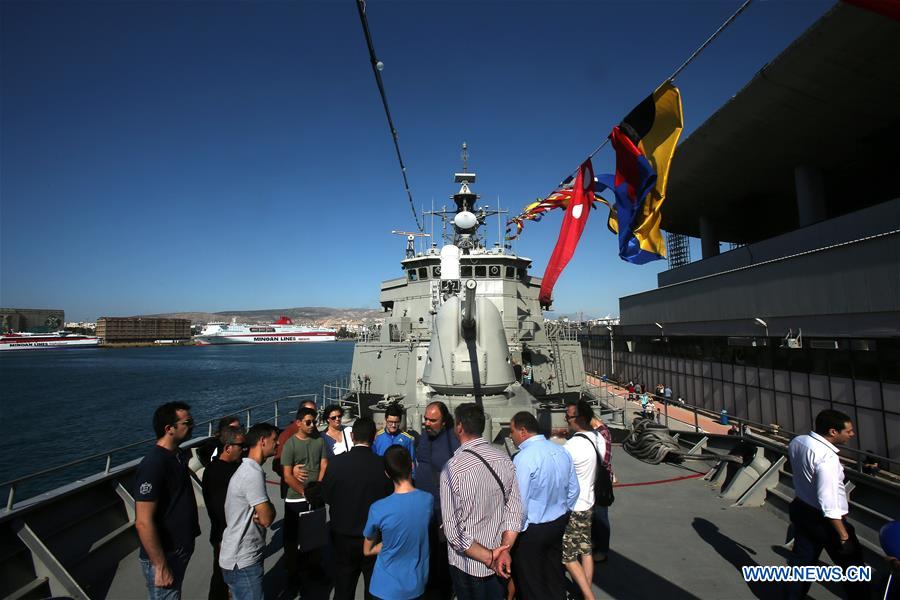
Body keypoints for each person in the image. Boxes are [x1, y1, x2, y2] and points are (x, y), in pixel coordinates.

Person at [441, 403, 523, 600]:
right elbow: (514, 513)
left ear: (459, 427)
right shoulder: (504, 460)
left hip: (468, 566)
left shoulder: (452, 469)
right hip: (501, 562)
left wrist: (490, 557)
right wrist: (503, 551)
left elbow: (453, 532)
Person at [786, 409, 870, 600]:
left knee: (802, 562)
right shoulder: (828, 458)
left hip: (801, 509)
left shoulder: (798, 442)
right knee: (853, 570)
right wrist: (843, 535)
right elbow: (829, 501)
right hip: (824, 521)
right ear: (833, 432)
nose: (852, 434)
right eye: (848, 431)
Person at [508, 411, 578, 600]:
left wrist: (517, 532)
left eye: (512, 431)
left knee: (531, 584)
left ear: (522, 431)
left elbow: (519, 503)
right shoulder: (561, 450)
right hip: (558, 524)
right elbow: (574, 490)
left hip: (532, 531)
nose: (510, 436)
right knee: (554, 575)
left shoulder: (523, 458)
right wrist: (564, 513)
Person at [134, 401, 201, 599]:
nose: (192, 425)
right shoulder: (154, 464)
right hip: (167, 554)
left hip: (179, 548)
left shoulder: (176, 456)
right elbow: (143, 522)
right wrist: (160, 565)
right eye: (187, 422)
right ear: (169, 429)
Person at [322, 416, 393, 600]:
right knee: (373, 588)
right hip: (374, 537)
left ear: (352, 436)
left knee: (343, 588)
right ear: (374, 437)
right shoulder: (383, 466)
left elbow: (327, 496)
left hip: (342, 537)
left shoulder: (336, 464)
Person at [363, 446, 434, 600]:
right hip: (416, 585)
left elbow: (367, 550)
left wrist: (384, 544)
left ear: (387, 474)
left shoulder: (378, 508)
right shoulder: (428, 500)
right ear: (412, 466)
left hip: (384, 587)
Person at [219, 423, 279, 600]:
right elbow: (267, 518)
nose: (277, 444)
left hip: (237, 557)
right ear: (262, 441)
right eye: (274, 440)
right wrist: (269, 510)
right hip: (243, 560)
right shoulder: (252, 474)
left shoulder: (248, 469)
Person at [279, 406, 328, 590]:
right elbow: (287, 475)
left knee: (315, 535)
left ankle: (314, 567)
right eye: (308, 422)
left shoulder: (319, 441)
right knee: (293, 539)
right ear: (298, 423)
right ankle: (293, 572)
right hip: (295, 499)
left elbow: (323, 463)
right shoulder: (290, 444)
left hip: (315, 495)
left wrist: (319, 485)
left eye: (314, 421)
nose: (312, 425)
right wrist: (304, 492)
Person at [417, 401, 460, 599]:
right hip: (423, 509)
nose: (427, 423)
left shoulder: (453, 441)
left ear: (444, 422)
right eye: (426, 419)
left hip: (443, 511)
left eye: (432, 420)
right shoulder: (425, 436)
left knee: (442, 557)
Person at [562, 401, 604, 600]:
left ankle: (588, 596)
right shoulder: (598, 439)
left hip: (574, 506)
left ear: (578, 419)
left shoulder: (571, 446)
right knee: (585, 550)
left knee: (568, 556)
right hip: (589, 501)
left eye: (568, 417)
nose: (566, 420)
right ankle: (585, 588)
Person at [201, 426, 245, 600]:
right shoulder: (223, 474)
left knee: (221, 577)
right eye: (241, 446)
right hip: (226, 537)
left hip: (223, 534)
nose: (245, 449)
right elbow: (221, 509)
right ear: (228, 448)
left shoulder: (212, 470)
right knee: (225, 579)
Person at [589, 414, 613, 563]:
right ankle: (595, 543)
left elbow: (604, 459)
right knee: (594, 515)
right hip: (594, 478)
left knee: (601, 515)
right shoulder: (597, 432)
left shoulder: (601, 433)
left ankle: (603, 550)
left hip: (600, 480)